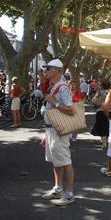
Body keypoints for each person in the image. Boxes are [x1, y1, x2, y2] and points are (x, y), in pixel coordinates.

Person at [40, 59, 76, 206]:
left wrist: (54, 102)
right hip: (52, 129)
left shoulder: (62, 88)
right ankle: (58, 188)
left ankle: (69, 193)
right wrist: (46, 134)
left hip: (59, 130)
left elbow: (71, 109)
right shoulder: (55, 86)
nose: (45, 71)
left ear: (57, 70)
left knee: (65, 161)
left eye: (48, 68)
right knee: (57, 161)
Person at [91, 79, 111, 149]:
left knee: (102, 127)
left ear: (102, 86)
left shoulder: (99, 92)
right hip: (110, 111)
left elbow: (93, 100)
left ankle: (104, 143)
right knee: (108, 126)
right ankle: (107, 141)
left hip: (100, 111)